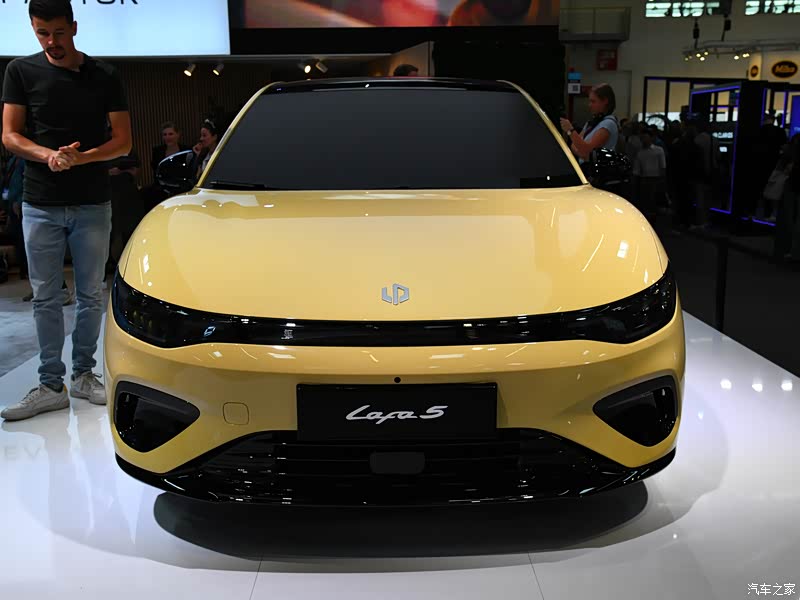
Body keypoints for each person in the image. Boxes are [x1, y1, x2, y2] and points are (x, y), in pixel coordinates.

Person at [0, 0, 132, 421]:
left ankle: (84, 375)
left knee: (91, 294)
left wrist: (83, 157)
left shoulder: (104, 75)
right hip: (40, 202)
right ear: (33, 28)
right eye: (42, 33)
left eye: (58, 32)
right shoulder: (20, 71)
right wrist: (49, 156)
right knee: (45, 298)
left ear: (73, 27)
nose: (51, 42)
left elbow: (124, 141)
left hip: (92, 201)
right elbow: (10, 135)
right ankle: (50, 385)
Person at [559, 83, 620, 162]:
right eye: (590, 101)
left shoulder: (608, 124)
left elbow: (587, 152)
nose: (589, 105)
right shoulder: (591, 123)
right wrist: (583, 153)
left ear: (605, 101)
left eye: (593, 101)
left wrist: (570, 130)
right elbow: (573, 146)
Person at [633, 130, 667, 219]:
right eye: (642, 138)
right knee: (646, 199)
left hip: (656, 178)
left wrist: (662, 179)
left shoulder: (658, 150)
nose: (643, 140)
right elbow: (637, 169)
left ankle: (655, 215)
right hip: (644, 178)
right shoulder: (640, 152)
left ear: (651, 138)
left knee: (654, 198)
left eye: (645, 137)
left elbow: (663, 166)